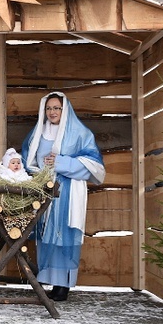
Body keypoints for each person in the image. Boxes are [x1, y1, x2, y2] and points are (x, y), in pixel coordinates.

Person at [21, 92, 105, 301]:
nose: (52, 112)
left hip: (67, 193)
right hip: (44, 191)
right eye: (49, 108)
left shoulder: (79, 133)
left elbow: (94, 167)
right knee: (46, 238)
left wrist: (61, 163)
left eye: (56, 108)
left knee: (63, 237)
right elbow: (27, 160)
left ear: (64, 109)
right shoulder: (37, 134)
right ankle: (50, 280)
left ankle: (63, 285)